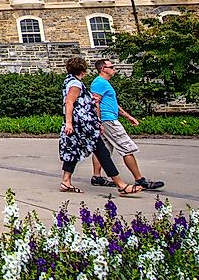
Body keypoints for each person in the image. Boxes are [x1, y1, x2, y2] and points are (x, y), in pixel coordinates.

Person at [58, 56, 141, 195]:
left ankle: (66, 181)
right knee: (102, 152)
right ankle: (121, 185)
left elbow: (77, 101)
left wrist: (90, 99)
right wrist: (69, 123)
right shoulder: (76, 84)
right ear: (83, 71)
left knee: (73, 150)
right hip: (83, 125)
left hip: (80, 124)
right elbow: (69, 102)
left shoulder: (69, 81)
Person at [89, 59, 164, 190]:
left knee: (103, 150)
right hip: (108, 121)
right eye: (111, 67)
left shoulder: (104, 83)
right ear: (103, 69)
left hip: (107, 119)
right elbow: (95, 104)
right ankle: (139, 179)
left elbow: (113, 104)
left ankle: (97, 177)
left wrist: (128, 116)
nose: (114, 69)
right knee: (127, 148)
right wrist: (98, 121)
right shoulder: (99, 83)